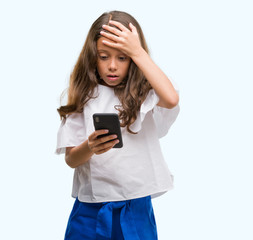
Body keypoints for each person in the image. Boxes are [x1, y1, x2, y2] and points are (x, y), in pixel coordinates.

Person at [56, 10, 180, 240]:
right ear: (92, 56)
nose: (112, 66)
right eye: (104, 56)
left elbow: (171, 99)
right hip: (90, 209)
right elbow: (71, 159)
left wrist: (138, 51)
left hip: (135, 207)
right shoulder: (83, 95)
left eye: (122, 57)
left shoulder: (145, 93)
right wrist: (90, 147)